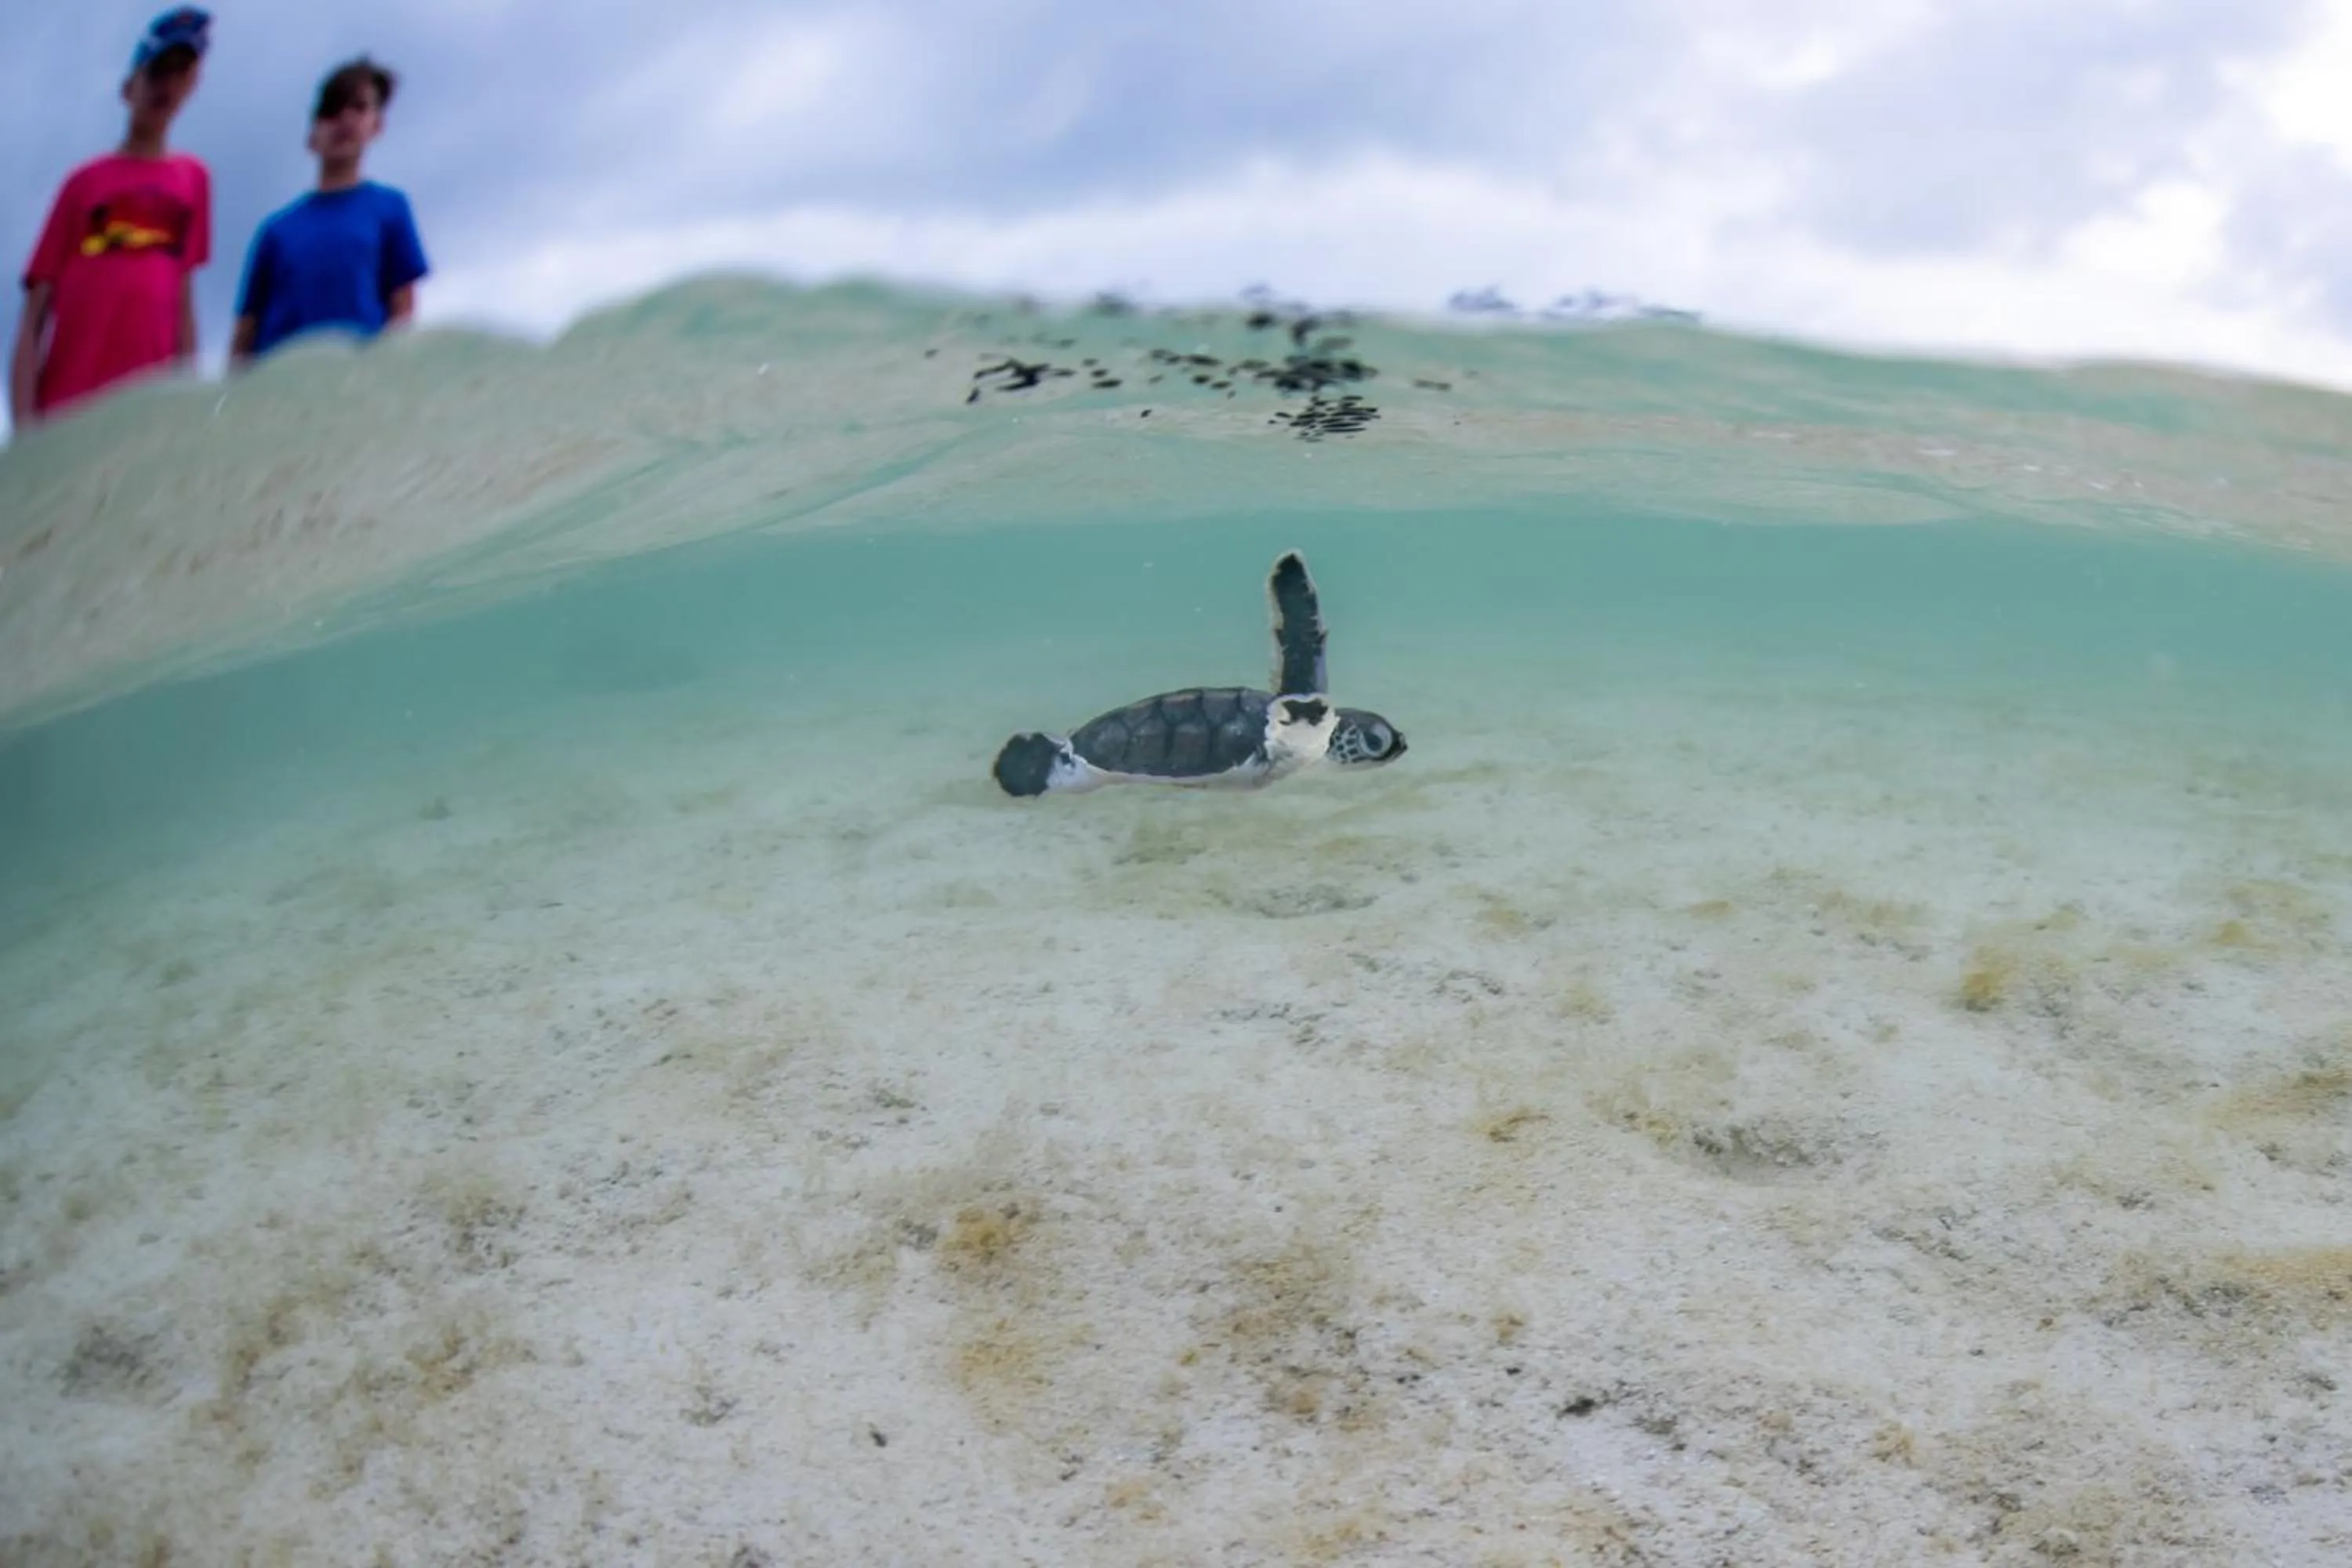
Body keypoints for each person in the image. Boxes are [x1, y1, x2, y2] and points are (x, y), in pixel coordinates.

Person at [9, 8, 214, 427]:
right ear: (129, 87)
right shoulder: (82, 184)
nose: (166, 86)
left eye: (180, 75)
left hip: (150, 408)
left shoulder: (194, 180)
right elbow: (33, 316)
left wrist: (187, 406)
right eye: (157, 72)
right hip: (70, 407)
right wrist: (25, 427)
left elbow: (185, 299)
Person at [231, 56, 429, 366]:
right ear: (311, 138)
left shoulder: (390, 208)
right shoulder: (276, 231)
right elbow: (245, 331)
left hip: (358, 382)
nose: (345, 118)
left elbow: (402, 312)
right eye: (332, 110)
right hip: (281, 385)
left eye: (359, 107)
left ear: (377, 126)